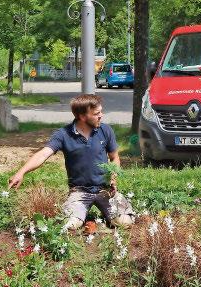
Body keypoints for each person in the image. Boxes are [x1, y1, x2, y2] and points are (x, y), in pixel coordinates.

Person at [8, 94, 135, 230]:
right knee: (70, 225)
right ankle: (84, 218)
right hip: (79, 191)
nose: (101, 116)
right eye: (96, 113)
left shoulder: (105, 130)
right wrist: (21, 172)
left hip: (104, 190)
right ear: (82, 116)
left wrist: (113, 176)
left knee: (125, 222)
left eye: (100, 112)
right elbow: (43, 154)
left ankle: (100, 219)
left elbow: (114, 158)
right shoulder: (63, 134)